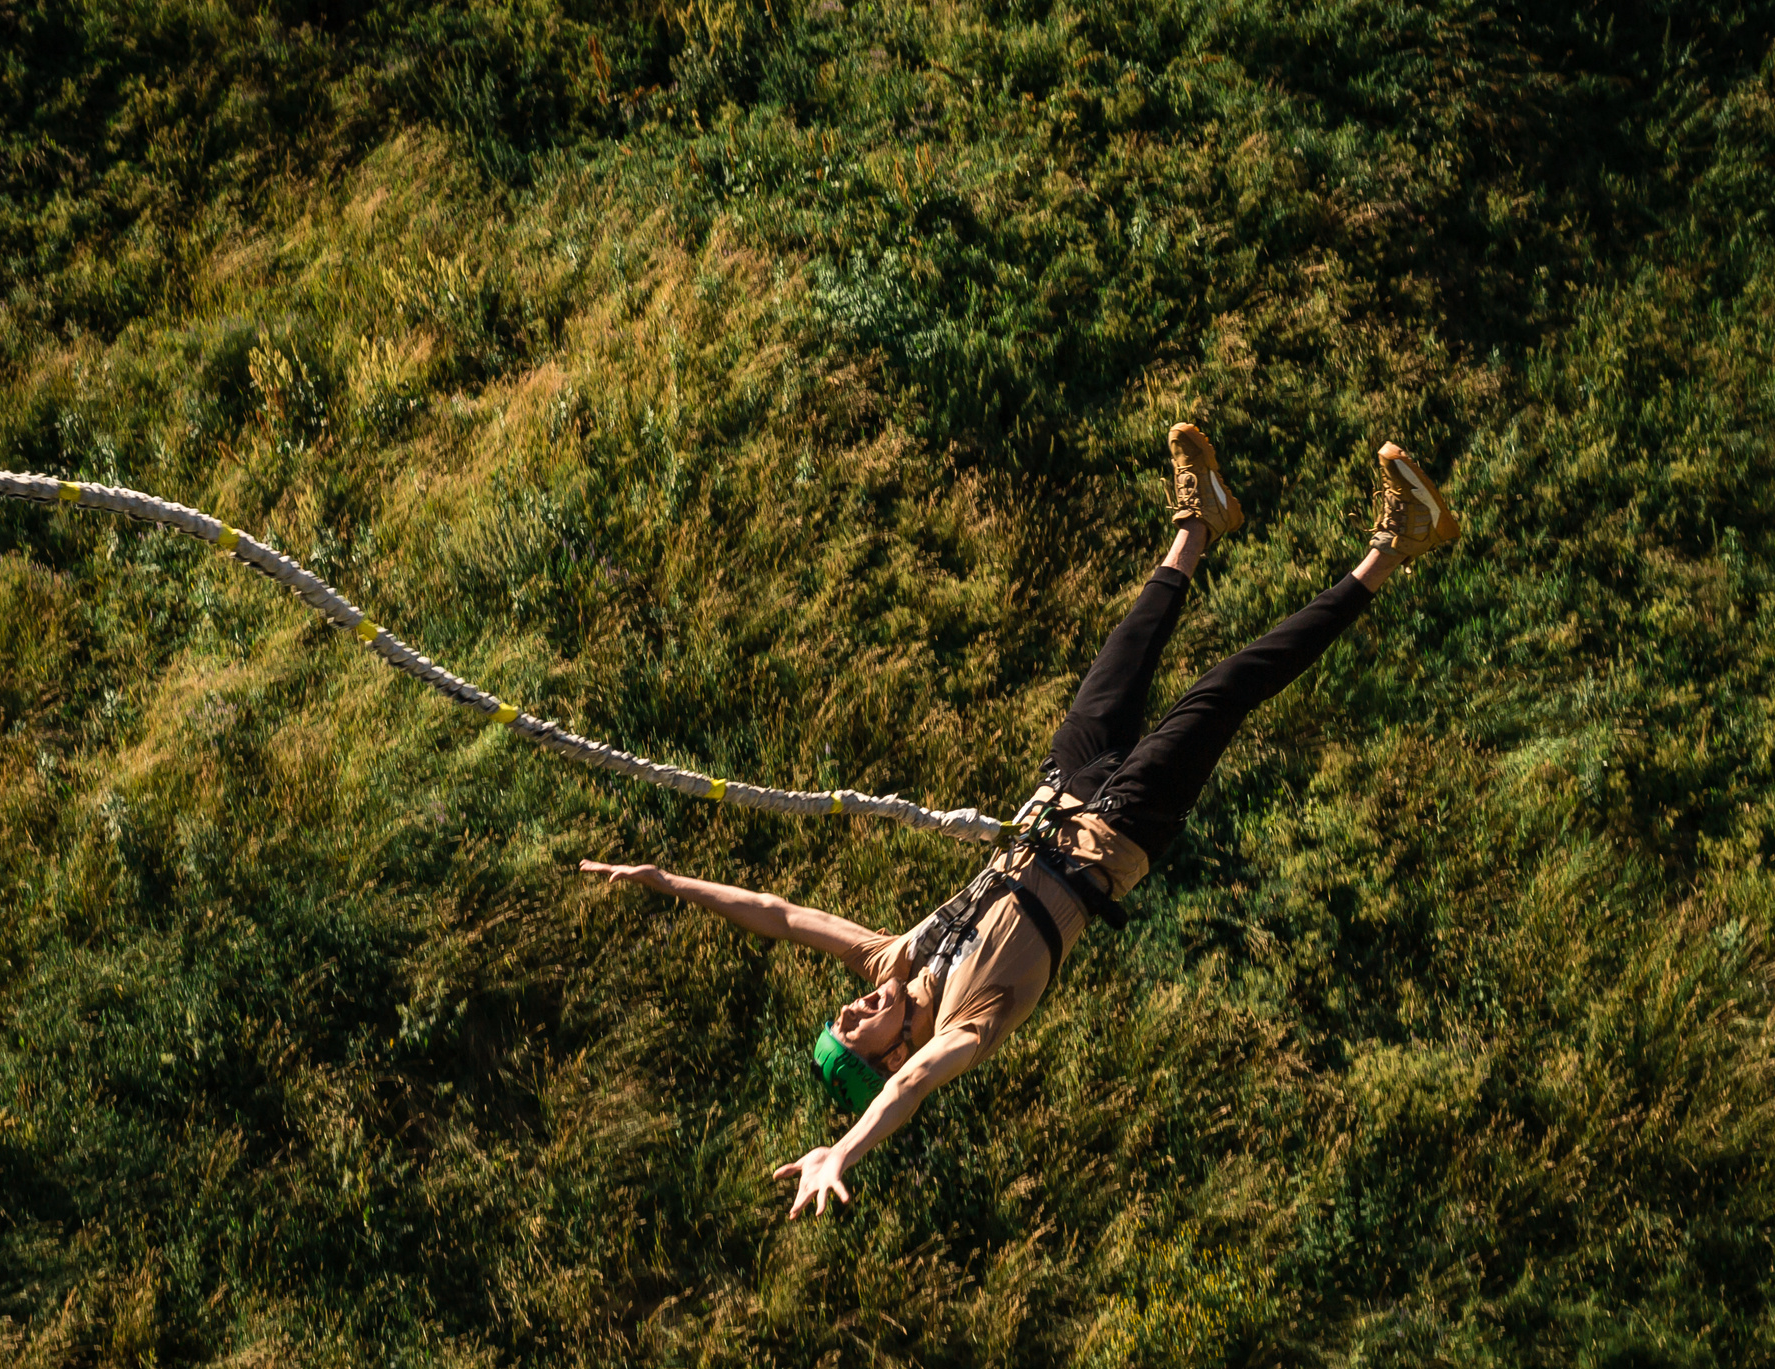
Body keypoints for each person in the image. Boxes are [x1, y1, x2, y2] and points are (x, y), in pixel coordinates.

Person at [579, 426, 1460, 1218]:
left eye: (841, 1014)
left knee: (1127, 647)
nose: (853, 1005)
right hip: (1119, 830)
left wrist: (664, 880)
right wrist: (842, 1151)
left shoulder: (893, 960)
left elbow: (777, 914)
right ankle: (1394, 547)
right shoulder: (968, 1025)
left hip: (1059, 788)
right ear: (888, 1057)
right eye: (854, 1028)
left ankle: (1202, 521)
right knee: (1226, 687)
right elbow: (912, 1092)